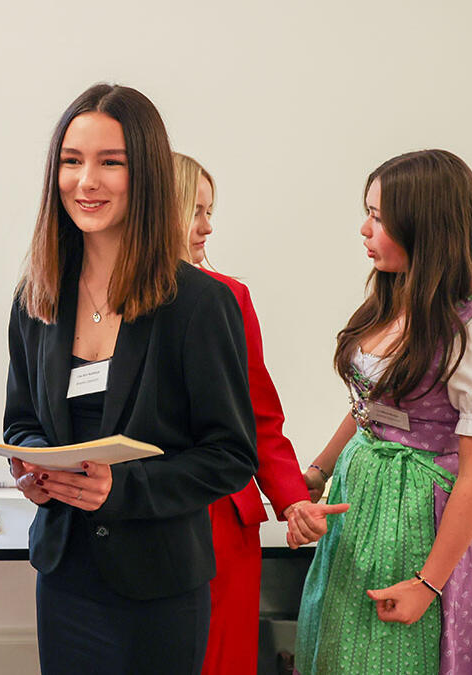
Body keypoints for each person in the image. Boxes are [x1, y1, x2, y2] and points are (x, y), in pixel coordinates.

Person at [4, 84, 258, 674]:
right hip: (64, 575)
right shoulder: (35, 297)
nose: (85, 181)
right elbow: (20, 422)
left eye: (108, 163)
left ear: (142, 173)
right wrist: (35, 465)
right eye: (71, 161)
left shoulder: (198, 303)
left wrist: (123, 490)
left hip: (161, 586)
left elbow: (230, 454)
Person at [294, 149, 472, 674]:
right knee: (338, 652)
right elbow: (368, 408)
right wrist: (317, 472)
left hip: (422, 519)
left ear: (426, 224)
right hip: (361, 503)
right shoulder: (391, 301)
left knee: (397, 658)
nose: (363, 229)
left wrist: (427, 583)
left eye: (378, 216)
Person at [172, 153, 346, 674]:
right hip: (142, 519)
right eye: (196, 211)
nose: (208, 226)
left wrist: (294, 499)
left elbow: (261, 419)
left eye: (210, 211)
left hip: (224, 526)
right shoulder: (101, 299)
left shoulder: (230, 298)